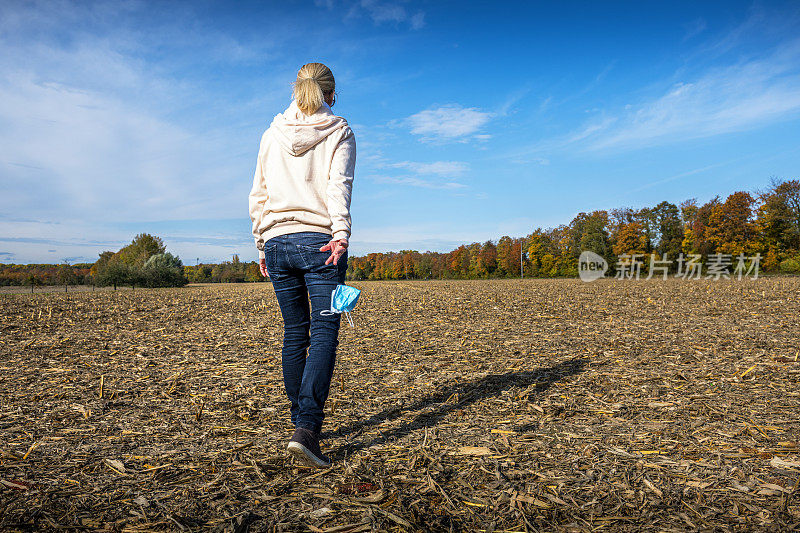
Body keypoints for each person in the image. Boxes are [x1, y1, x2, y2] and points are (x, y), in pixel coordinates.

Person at [248, 62, 356, 468]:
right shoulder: (339, 131)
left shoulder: (270, 134)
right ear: (331, 93)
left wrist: (262, 243)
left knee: (296, 332)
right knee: (325, 329)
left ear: (296, 91)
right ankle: (307, 428)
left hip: (277, 243)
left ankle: (299, 423)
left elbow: (258, 194)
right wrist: (340, 232)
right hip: (320, 242)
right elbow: (337, 186)